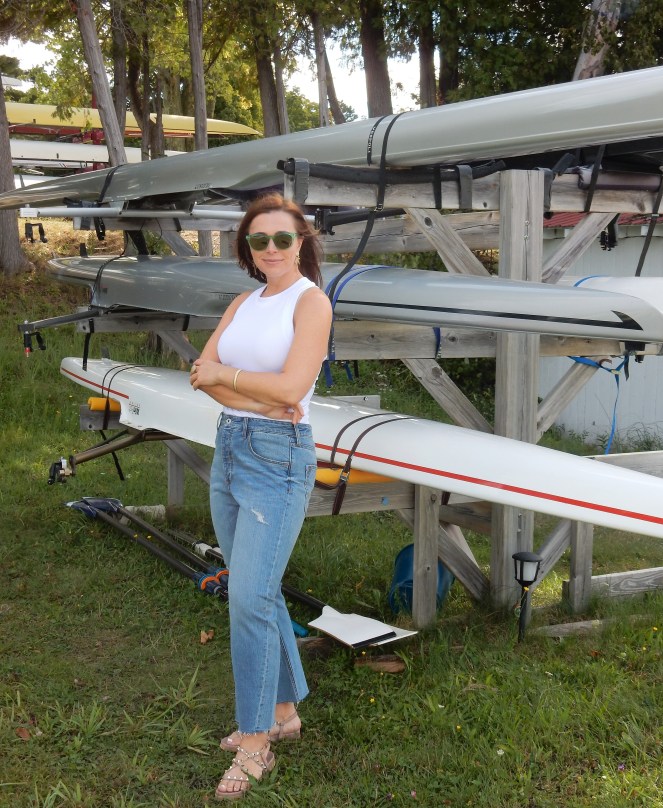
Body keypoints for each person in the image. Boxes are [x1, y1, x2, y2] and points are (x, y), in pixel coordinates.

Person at [190, 193, 332, 801]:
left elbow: (295, 386)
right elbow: (202, 373)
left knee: (247, 597)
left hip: (280, 457)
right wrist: (250, 394)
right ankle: (283, 711)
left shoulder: (312, 302)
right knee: (259, 589)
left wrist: (231, 378)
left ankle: (254, 741)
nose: (270, 249)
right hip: (232, 445)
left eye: (282, 238)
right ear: (246, 249)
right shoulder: (242, 303)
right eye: (258, 240)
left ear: (301, 243)